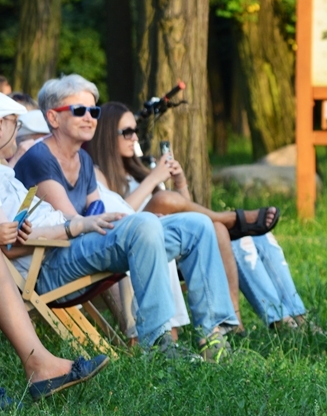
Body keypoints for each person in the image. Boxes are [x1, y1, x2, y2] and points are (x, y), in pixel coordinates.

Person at [2, 78, 238, 359]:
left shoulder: (81, 160)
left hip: (81, 245)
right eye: (80, 111)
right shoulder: (39, 158)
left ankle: (213, 337)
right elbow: (71, 222)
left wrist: (132, 223)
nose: (90, 118)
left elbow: (95, 211)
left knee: (196, 225)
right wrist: (132, 224)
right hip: (54, 260)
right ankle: (158, 343)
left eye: (94, 111)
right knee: (143, 225)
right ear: (53, 117)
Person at [85, 102, 308, 330]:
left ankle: (241, 320)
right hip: (137, 240)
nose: (135, 138)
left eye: (136, 131)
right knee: (164, 199)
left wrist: (180, 183)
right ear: (107, 135)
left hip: (170, 235)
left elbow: (186, 209)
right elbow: (116, 216)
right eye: (127, 132)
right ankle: (227, 218)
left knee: (224, 230)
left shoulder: (137, 171)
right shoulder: (97, 174)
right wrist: (153, 180)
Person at [0, 96, 109, 406]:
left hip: (50, 245)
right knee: (128, 232)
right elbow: (10, 247)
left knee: (128, 229)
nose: (20, 134)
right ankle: (40, 364)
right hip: (46, 255)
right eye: (16, 124)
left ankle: (41, 364)